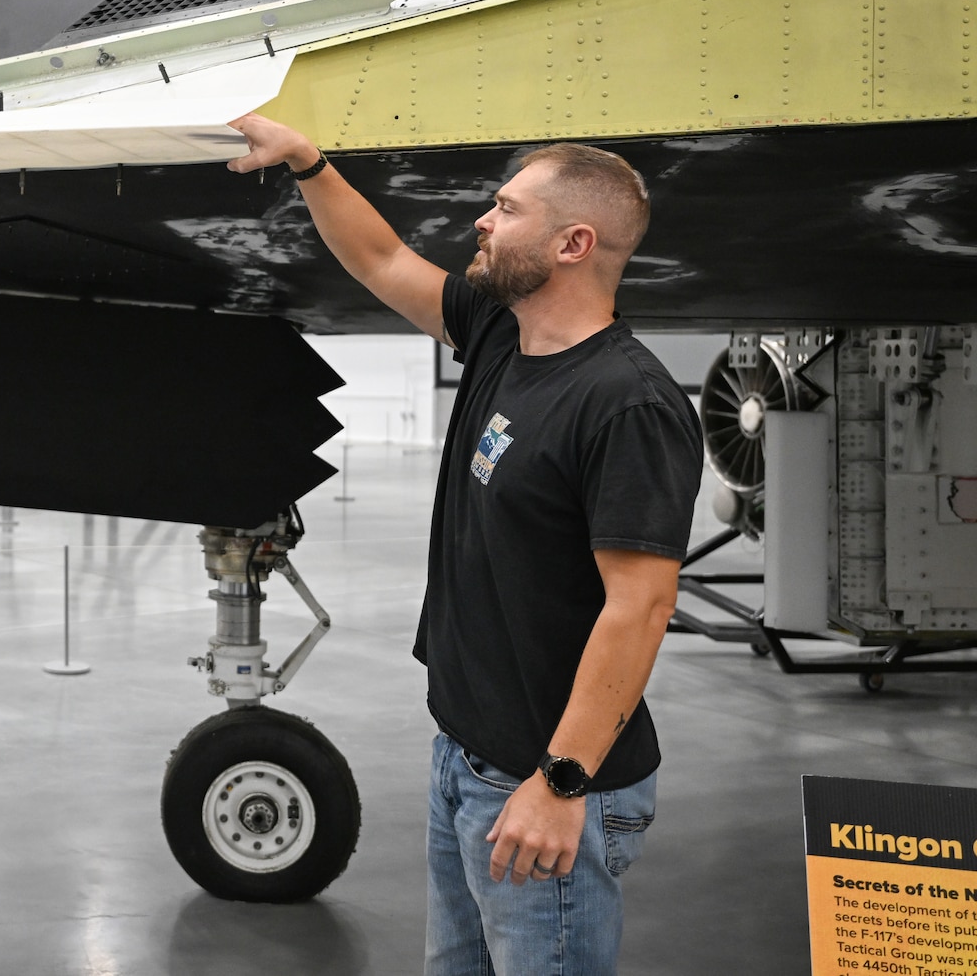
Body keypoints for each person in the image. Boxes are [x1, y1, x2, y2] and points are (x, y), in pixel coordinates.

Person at [227, 113, 701, 975]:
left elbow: (642, 606)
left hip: (549, 782)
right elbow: (380, 259)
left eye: (507, 208)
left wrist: (561, 784)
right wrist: (308, 163)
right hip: (467, 757)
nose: (482, 220)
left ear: (572, 242)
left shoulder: (626, 404)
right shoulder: (497, 333)